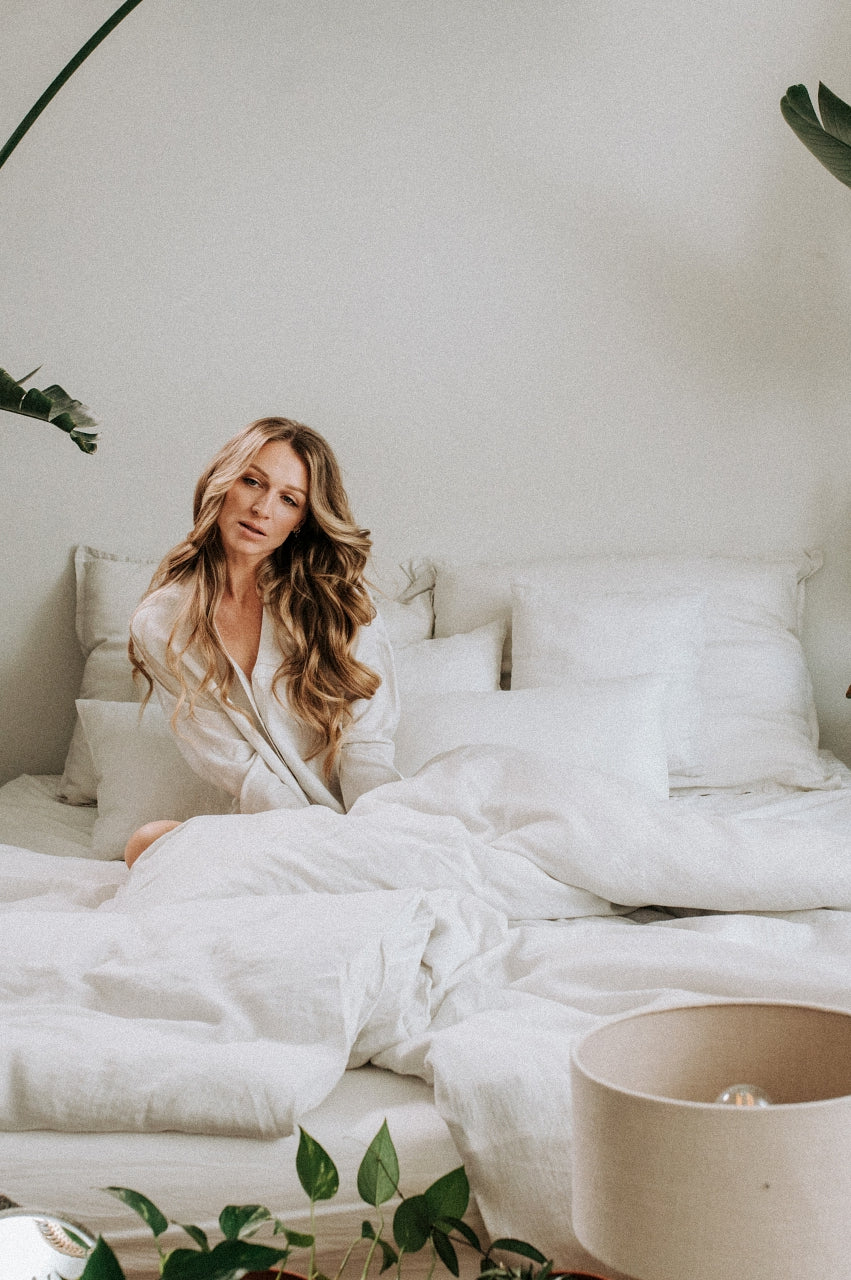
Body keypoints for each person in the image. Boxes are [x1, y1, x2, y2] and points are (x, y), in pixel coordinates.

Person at [125, 416, 401, 868]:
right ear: (223, 481)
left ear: (301, 521)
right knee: (145, 844)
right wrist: (315, 846)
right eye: (252, 482)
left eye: (289, 500)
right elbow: (241, 769)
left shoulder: (338, 600)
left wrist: (374, 841)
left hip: (367, 821)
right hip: (270, 827)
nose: (262, 508)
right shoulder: (161, 622)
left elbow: (365, 747)